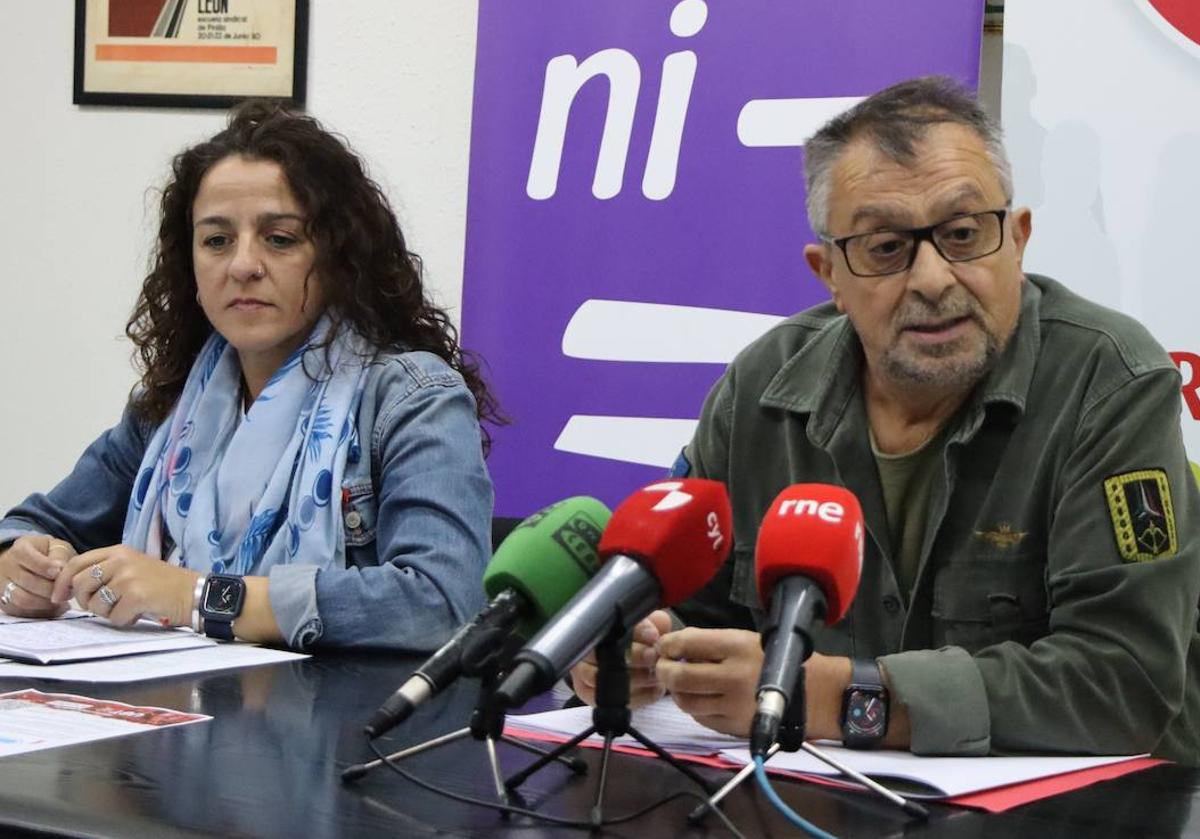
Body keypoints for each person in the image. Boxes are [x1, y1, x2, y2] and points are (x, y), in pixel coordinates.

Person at [572, 77, 1200, 761]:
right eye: (885, 247)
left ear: (1017, 241)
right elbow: (698, 612)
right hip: (819, 803)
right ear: (829, 275)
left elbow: (1122, 679)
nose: (932, 278)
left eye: (963, 234)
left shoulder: (1108, 381)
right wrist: (638, 650)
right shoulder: (761, 388)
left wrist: (834, 695)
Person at [0, 101, 497, 652]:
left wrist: (198, 597)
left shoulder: (412, 397)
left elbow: (440, 603)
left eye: (279, 238)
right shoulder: (170, 406)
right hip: (178, 715)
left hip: (341, 731)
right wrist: (24, 567)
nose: (242, 265)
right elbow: (30, 526)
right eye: (216, 240)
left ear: (340, 256)